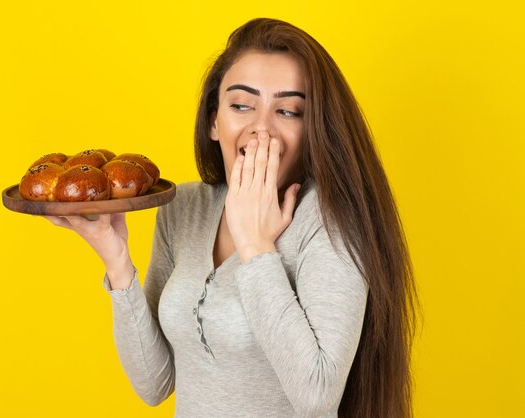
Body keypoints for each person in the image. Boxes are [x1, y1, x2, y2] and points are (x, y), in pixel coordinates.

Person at [45, 18, 418, 418]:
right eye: (241, 105)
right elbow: (155, 384)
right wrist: (117, 262)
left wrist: (256, 247)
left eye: (289, 111)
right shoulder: (183, 209)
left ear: (314, 130)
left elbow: (316, 396)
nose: (262, 128)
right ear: (213, 122)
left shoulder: (332, 223)